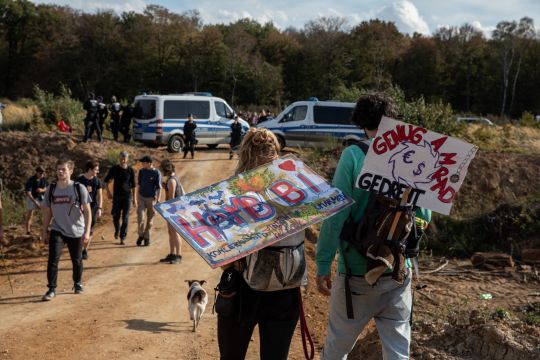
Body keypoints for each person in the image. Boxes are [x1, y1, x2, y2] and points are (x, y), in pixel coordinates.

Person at [316, 93, 432, 359]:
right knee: (397, 351)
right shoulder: (413, 157)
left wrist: (323, 264)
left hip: (356, 274)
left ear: (361, 121)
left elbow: (335, 218)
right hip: (398, 273)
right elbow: (423, 217)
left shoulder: (353, 156)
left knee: (336, 348)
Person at [217, 128, 307, 360]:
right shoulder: (297, 189)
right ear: (276, 154)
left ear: (245, 154)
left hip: (242, 290)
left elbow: (225, 260)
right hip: (286, 287)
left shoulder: (232, 191)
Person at [41, 159, 92, 301]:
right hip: (58, 229)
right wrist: (45, 230)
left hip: (76, 230)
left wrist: (87, 232)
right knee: (53, 259)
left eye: (63, 169)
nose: (60, 172)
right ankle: (51, 289)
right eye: (58, 169)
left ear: (71, 171)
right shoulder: (51, 189)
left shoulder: (78, 187)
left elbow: (87, 211)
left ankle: (77, 283)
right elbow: (47, 212)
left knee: (77, 260)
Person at [104, 151, 136, 245]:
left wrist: (134, 199)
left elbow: (134, 185)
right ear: (119, 158)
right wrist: (108, 192)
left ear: (127, 159)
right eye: (122, 157)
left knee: (125, 217)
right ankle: (117, 230)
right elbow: (106, 181)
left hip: (127, 196)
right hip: (117, 196)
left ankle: (123, 236)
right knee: (115, 216)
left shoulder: (130, 170)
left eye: (125, 158)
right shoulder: (114, 169)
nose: (123, 159)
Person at [159, 159, 185, 264]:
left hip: (174, 210)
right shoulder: (172, 179)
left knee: (175, 233)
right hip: (174, 210)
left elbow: (170, 199)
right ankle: (172, 253)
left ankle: (178, 255)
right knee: (171, 232)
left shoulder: (172, 181)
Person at [76, 161, 103, 260]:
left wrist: (99, 208)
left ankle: (85, 250)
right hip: (80, 207)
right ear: (90, 169)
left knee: (89, 229)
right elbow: (75, 194)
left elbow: (100, 196)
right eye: (96, 169)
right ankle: (78, 248)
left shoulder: (97, 181)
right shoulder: (79, 180)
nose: (98, 171)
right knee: (80, 228)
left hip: (92, 208)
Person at [136, 155, 162, 247]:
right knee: (140, 218)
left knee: (150, 221)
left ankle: (147, 238)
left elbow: (159, 188)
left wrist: (158, 200)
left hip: (152, 199)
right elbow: (138, 185)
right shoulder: (142, 171)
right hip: (142, 197)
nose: (142, 164)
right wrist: (136, 198)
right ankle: (141, 235)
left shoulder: (156, 173)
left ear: (149, 163)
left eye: (143, 163)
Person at [24, 166, 49, 235]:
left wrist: (42, 190)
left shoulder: (43, 179)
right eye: (40, 173)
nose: (42, 175)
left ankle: (45, 229)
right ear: (37, 172)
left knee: (47, 212)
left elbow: (47, 188)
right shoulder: (31, 180)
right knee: (30, 214)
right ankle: (28, 231)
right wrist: (35, 202)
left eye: (43, 173)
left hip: (40, 197)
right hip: (32, 198)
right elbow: (28, 193)